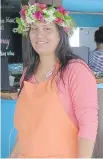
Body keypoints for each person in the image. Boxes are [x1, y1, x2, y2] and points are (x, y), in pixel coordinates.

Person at [10, 3, 98, 158]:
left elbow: (88, 126)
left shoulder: (75, 71)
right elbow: (25, 131)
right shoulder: (27, 73)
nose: (39, 34)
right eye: (34, 28)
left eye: (47, 28)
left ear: (60, 33)